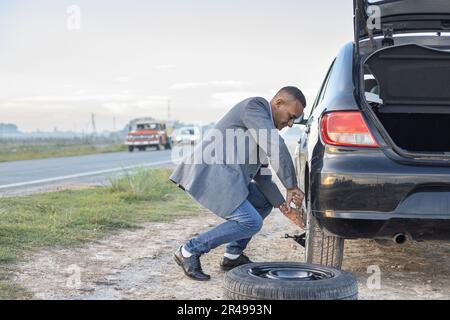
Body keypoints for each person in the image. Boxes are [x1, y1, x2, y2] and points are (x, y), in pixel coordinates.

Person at [170, 87, 306, 281]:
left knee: (264, 201)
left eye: (295, 120)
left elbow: (262, 175)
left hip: (228, 178)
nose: (291, 124)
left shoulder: (262, 127)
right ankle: (188, 251)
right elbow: (276, 145)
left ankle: (232, 256)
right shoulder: (255, 107)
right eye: (291, 116)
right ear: (278, 103)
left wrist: (282, 205)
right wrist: (291, 186)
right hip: (211, 173)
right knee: (250, 221)